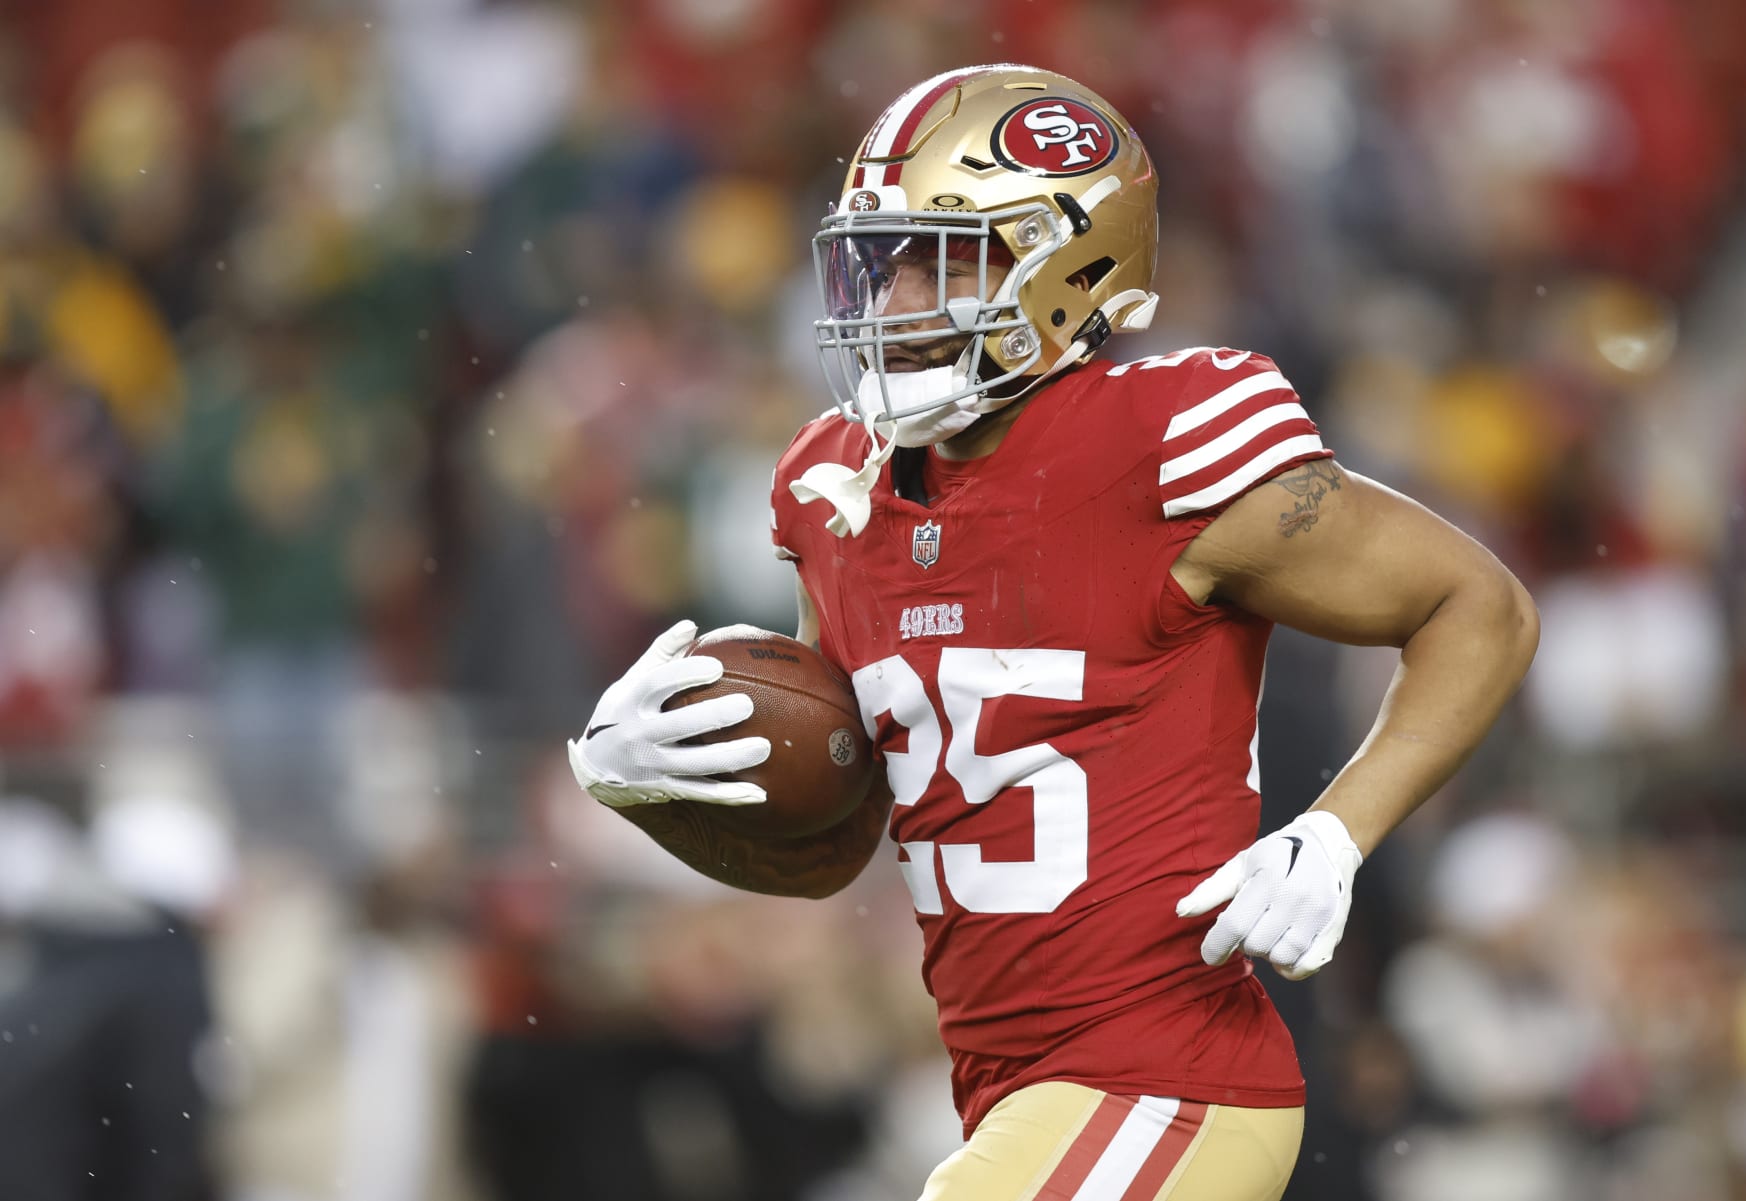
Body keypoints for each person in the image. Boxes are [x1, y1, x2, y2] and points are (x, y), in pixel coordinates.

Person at [567, 64, 1539, 1201]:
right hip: (1015, 1093)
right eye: (887, 261)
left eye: (948, 259)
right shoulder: (836, 493)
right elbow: (843, 829)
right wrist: (651, 783)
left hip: (1169, 1080)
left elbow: (1483, 606)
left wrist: (1337, 832)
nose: (895, 302)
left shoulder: (1164, 440)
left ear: (1071, 268)